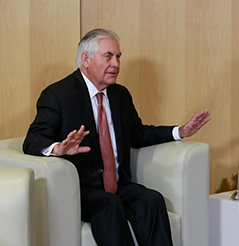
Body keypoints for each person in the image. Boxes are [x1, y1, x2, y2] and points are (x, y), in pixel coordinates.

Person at [23, 28, 211, 246]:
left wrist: (180, 131)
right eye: (108, 56)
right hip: (81, 188)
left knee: (152, 200)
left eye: (118, 57)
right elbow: (33, 139)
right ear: (86, 59)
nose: (116, 64)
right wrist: (59, 149)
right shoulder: (58, 95)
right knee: (109, 204)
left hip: (117, 184)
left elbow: (138, 134)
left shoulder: (119, 94)